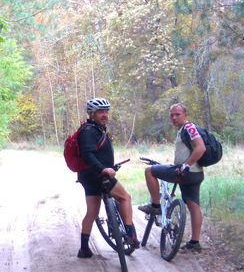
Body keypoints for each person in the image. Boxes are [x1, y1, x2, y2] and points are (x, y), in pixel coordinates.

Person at [139, 104, 207, 252]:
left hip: (186, 172)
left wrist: (186, 165)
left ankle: (155, 206)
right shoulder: (183, 129)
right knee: (193, 206)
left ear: (185, 115)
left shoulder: (189, 128)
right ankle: (194, 243)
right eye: (171, 115)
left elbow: (201, 147)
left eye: (177, 114)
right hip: (196, 174)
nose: (174, 118)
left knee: (149, 171)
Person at [76, 98, 138, 258]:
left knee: (92, 212)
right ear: (91, 114)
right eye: (100, 112)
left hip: (89, 176)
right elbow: (87, 155)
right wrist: (103, 169)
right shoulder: (89, 131)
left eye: (106, 112)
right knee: (125, 197)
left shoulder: (97, 129)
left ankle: (84, 249)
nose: (104, 115)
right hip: (98, 176)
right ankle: (130, 234)